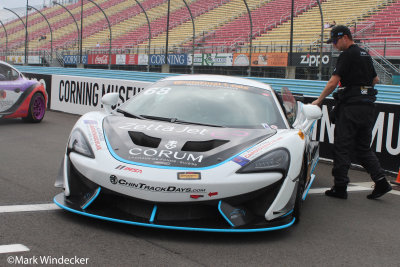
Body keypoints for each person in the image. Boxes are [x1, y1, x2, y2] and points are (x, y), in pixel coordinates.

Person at [312, 25, 392, 200]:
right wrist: (362, 90)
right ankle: (381, 182)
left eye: (334, 40)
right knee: (363, 148)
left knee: (342, 146)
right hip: (367, 106)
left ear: (345, 37)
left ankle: (340, 187)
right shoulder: (364, 54)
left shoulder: (347, 54)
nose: (333, 45)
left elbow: (333, 82)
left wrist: (319, 100)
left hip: (351, 108)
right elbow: (375, 79)